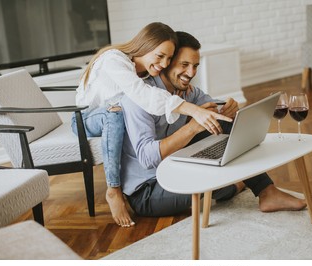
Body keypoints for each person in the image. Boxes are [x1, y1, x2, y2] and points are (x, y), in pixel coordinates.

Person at [119, 31, 312, 217]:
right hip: (148, 189)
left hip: (175, 166)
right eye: (184, 64)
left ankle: (267, 192)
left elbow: (216, 111)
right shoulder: (140, 99)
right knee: (215, 180)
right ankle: (232, 187)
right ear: (167, 63)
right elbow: (147, 158)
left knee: (223, 125)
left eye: (195, 66)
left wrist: (229, 109)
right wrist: (193, 127)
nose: (191, 72)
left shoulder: (188, 92)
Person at [71, 22, 231, 227]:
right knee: (115, 116)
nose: (164, 64)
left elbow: (155, 95)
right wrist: (191, 111)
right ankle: (113, 190)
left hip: (119, 116)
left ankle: (245, 185)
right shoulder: (114, 60)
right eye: (160, 56)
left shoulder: (146, 73)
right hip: (86, 118)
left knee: (119, 114)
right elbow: (142, 95)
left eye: (168, 59)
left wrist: (222, 107)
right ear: (145, 46)